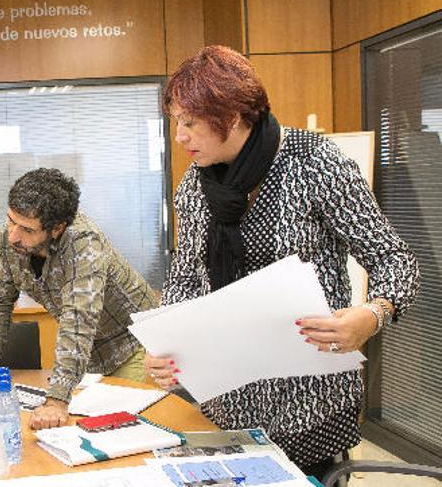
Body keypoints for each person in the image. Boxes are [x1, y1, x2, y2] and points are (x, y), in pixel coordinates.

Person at [145, 46, 419, 478]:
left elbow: (394, 259)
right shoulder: (197, 185)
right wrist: (165, 343)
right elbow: (186, 277)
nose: (180, 136)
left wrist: (371, 314)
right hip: (226, 404)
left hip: (310, 406)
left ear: (230, 117)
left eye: (189, 122)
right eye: (177, 121)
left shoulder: (314, 163)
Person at [0, 168, 158, 430]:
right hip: (88, 356)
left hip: (130, 343)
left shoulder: (84, 242)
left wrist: (57, 400)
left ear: (57, 228)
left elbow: (77, 318)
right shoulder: (10, 237)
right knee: (80, 430)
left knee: (126, 432)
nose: (13, 235)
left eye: (26, 229)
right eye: (10, 220)